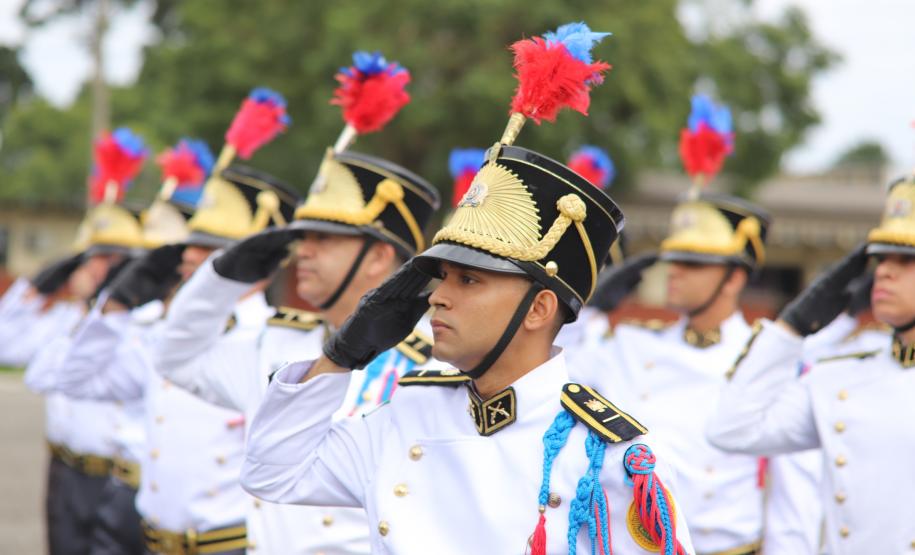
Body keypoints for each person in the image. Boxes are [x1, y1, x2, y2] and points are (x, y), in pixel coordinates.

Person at [242, 21, 694, 548]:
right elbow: (272, 471)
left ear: (539, 308)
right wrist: (342, 354)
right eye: (441, 275)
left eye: (470, 279)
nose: (437, 295)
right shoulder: (405, 415)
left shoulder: (607, 457)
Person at [25, 164, 298, 555]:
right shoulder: (163, 333)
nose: (188, 255)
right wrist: (114, 308)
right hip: (147, 539)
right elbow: (69, 378)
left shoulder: (278, 344)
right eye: (191, 243)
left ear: (256, 262)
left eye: (208, 248)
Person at [706, 172, 915, 554]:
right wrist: (791, 327)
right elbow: (732, 430)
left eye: (906, 259)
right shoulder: (843, 376)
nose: (884, 270)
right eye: (882, 257)